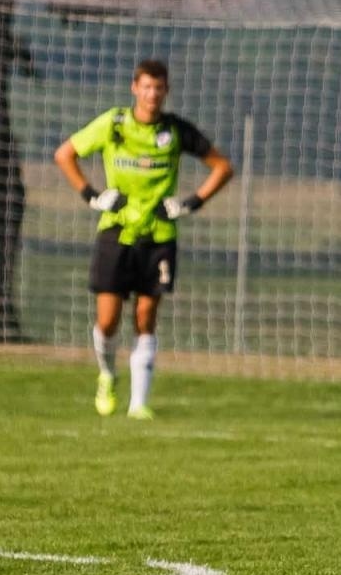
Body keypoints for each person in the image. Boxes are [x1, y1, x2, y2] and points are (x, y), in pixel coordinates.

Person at [54, 58, 233, 420]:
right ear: (135, 88)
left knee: (146, 315)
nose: (153, 94)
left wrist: (191, 203)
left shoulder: (175, 131)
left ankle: (139, 403)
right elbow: (65, 154)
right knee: (107, 320)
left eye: (159, 88)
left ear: (166, 91)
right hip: (116, 231)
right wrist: (92, 195)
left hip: (159, 234)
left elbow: (223, 167)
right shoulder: (115, 124)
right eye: (147, 87)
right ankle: (107, 374)